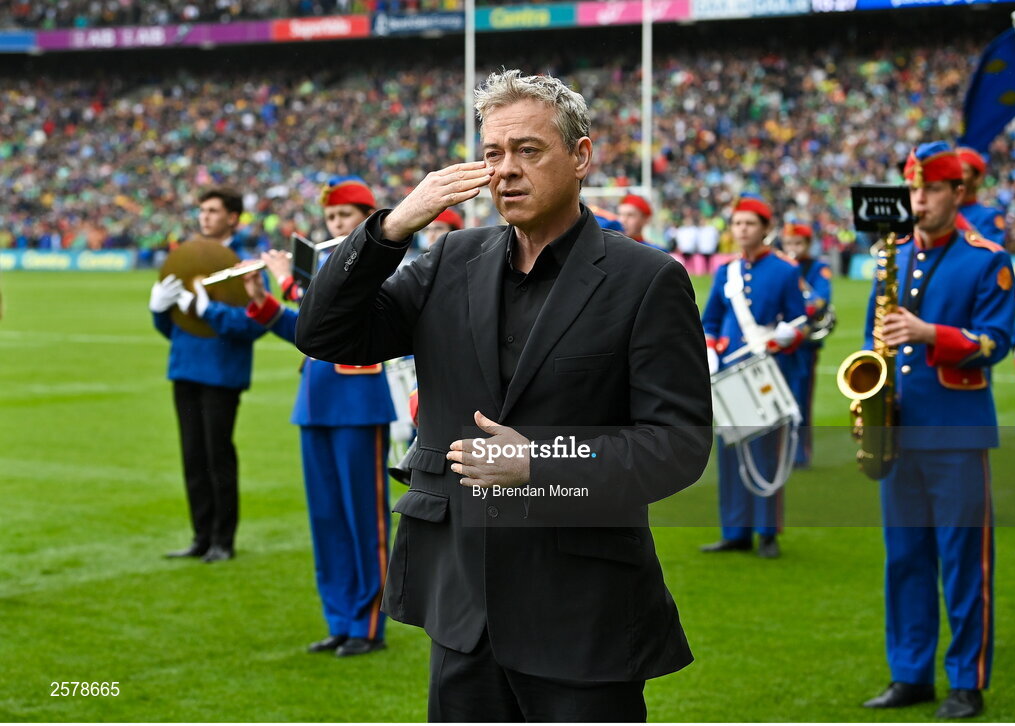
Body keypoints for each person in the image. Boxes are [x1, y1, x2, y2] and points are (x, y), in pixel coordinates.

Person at [294, 69, 713, 721]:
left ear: (581, 157)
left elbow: (679, 446)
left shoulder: (646, 278)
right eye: (492, 153)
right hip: (464, 612)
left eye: (528, 150)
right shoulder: (449, 259)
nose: (506, 171)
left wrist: (540, 462)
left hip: (583, 615)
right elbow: (322, 331)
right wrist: (393, 227)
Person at [860, 141, 1015, 719]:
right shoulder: (890, 254)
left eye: (929, 191)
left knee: (963, 562)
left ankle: (967, 681)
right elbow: (874, 336)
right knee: (904, 558)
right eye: (913, 190)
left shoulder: (987, 259)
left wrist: (930, 334)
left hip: (956, 434)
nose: (918, 201)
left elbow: (994, 342)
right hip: (897, 433)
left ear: (958, 194)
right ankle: (910, 674)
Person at [250, 177, 397, 657]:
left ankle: (369, 624)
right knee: (328, 519)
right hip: (315, 402)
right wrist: (263, 301)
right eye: (332, 218)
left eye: (346, 216)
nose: (336, 224)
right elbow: (310, 332)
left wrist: (292, 280)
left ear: (367, 220)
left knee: (364, 520)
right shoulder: (321, 265)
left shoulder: (377, 260)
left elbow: (338, 309)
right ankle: (340, 618)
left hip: (357, 401)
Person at [149, 187, 292, 563]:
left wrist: (206, 310)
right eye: (201, 211)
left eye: (213, 211)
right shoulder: (188, 259)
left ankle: (222, 540)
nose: (205, 217)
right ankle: (200, 536)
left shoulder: (245, 263)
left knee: (218, 456)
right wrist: (159, 311)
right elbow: (177, 327)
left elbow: (252, 324)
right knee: (192, 457)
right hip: (185, 367)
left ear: (233, 217)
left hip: (221, 372)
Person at [700, 195, 807, 559]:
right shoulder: (725, 271)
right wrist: (711, 347)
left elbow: (799, 320)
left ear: (765, 229)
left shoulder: (786, 269)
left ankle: (767, 532)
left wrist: (789, 334)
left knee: (766, 451)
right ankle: (735, 531)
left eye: (749, 224)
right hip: (730, 369)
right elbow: (711, 318)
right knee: (731, 450)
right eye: (737, 224)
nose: (741, 230)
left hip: (766, 368)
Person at [781, 221, 832, 467]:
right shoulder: (779, 266)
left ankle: (801, 452)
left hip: (805, 344)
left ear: (808, 245)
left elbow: (820, 301)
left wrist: (799, 285)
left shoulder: (818, 268)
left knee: (801, 396)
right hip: (779, 342)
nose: (793, 248)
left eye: (798, 243)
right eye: (789, 243)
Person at [956, 147, 1006, 247]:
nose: (958, 176)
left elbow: (992, 252)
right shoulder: (941, 211)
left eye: (964, 171)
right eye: (955, 171)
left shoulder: (990, 216)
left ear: (978, 178)